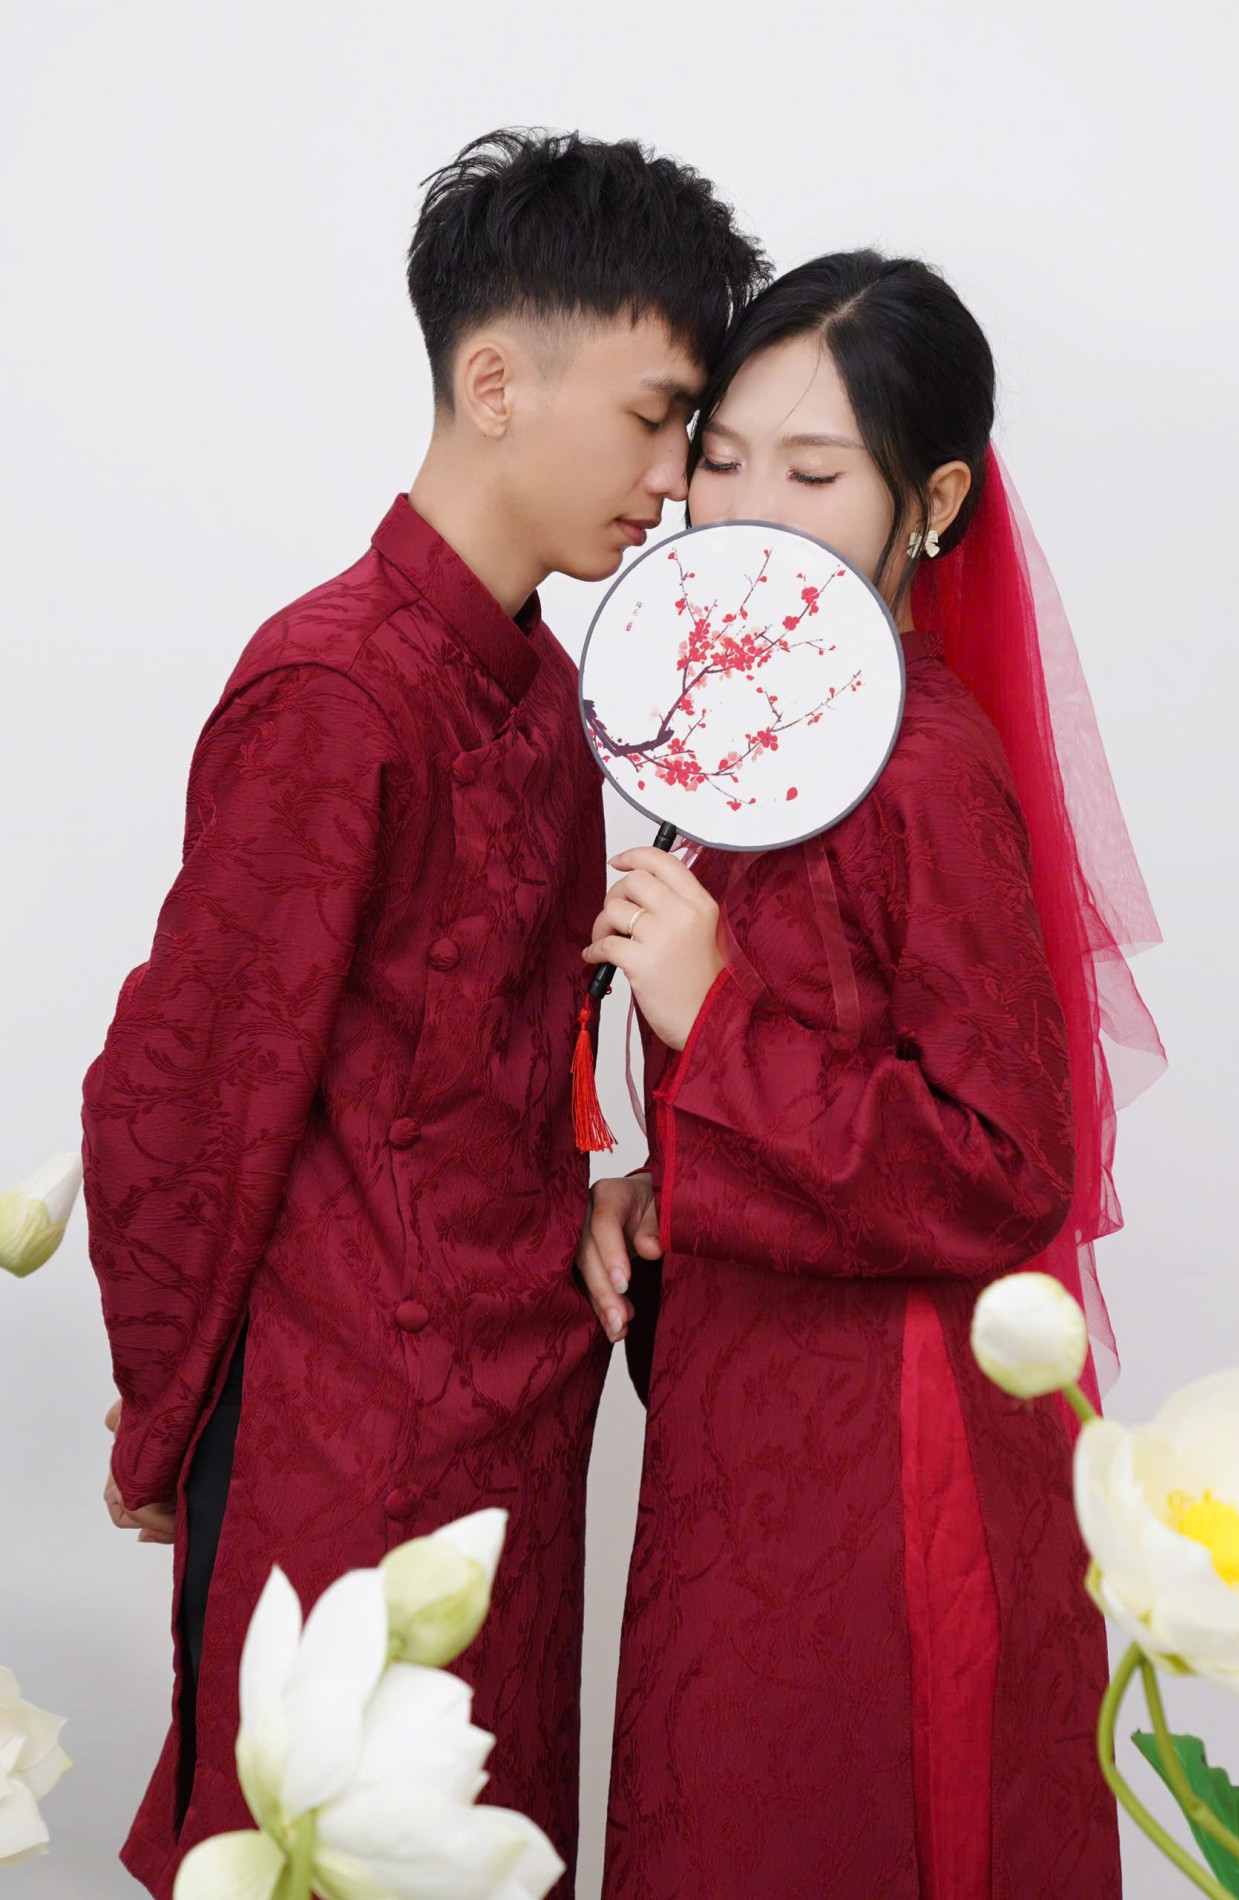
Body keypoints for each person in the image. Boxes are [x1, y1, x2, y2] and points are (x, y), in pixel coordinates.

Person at [82, 127, 767, 1900]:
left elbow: (516, 1068)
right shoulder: (333, 685)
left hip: (516, 1431)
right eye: (653, 417)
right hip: (341, 1431)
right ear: (494, 383)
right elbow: (185, 1093)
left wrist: (614, 1181)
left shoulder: (542, 688)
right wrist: (166, 1415)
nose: (674, 479)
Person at [577, 250, 1165, 1897]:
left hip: (883, 1453)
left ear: (935, 502)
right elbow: (814, 1075)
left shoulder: (920, 764)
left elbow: (1001, 1163)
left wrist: (713, 1015)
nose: (747, 510)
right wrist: (654, 1183)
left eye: (814, 472)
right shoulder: (763, 739)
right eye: (720, 458)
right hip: (751, 1421)